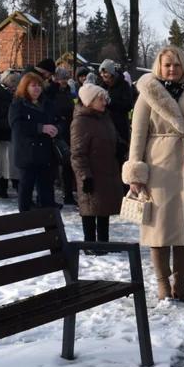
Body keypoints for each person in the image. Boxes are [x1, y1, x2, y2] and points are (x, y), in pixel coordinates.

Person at [124, 46, 184, 302]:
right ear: (159, 67)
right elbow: (138, 135)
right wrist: (136, 171)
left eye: (176, 64)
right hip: (158, 166)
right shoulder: (147, 94)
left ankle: (180, 285)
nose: (172, 69)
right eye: (167, 65)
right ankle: (163, 285)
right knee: (159, 230)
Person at [71, 84, 121, 252]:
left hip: (107, 169)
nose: (104, 102)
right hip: (91, 172)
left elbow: (113, 136)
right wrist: (85, 176)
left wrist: (121, 146)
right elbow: (77, 153)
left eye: (104, 98)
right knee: (90, 208)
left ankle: (104, 243)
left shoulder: (104, 117)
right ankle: (90, 244)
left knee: (103, 207)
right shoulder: (81, 122)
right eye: (100, 99)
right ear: (89, 101)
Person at [10, 72, 61, 211]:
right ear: (25, 87)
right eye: (33, 85)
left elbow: (59, 120)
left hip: (46, 153)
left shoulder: (48, 103)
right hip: (27, 153)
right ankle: (25, 219)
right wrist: (40, 128)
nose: (37, 88)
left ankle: (49, 220)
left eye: (39, 85)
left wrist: (56, 128)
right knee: (26, 187)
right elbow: (16, 125)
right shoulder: (18, 104)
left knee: (46, 190)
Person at [0, 70, 20, 199]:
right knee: (2, 162)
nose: (14, 83)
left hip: (13, 132)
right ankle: (3, 188)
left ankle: (17, 187)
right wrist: (7, 123)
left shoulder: (16, 93)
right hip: (2, 133)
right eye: (12, 81)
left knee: (14, 162)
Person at [99, 58, 135, 162]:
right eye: (101, 73)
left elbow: (128, 104)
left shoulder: (123, 85)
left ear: (111, 72)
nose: (103, 75)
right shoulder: (103, 85)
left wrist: (111, 102)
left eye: (105, 72)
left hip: (120, 125)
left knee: (119, 155)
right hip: (105, 124)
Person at [52, 68, 78, 205]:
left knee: (67, 163)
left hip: (68, 130)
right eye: (62, 78)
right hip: (57, 130)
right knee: (55, 165)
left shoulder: (68, 91)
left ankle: (67, 193)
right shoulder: (52, 92)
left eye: (66, 78)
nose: (64, 81)